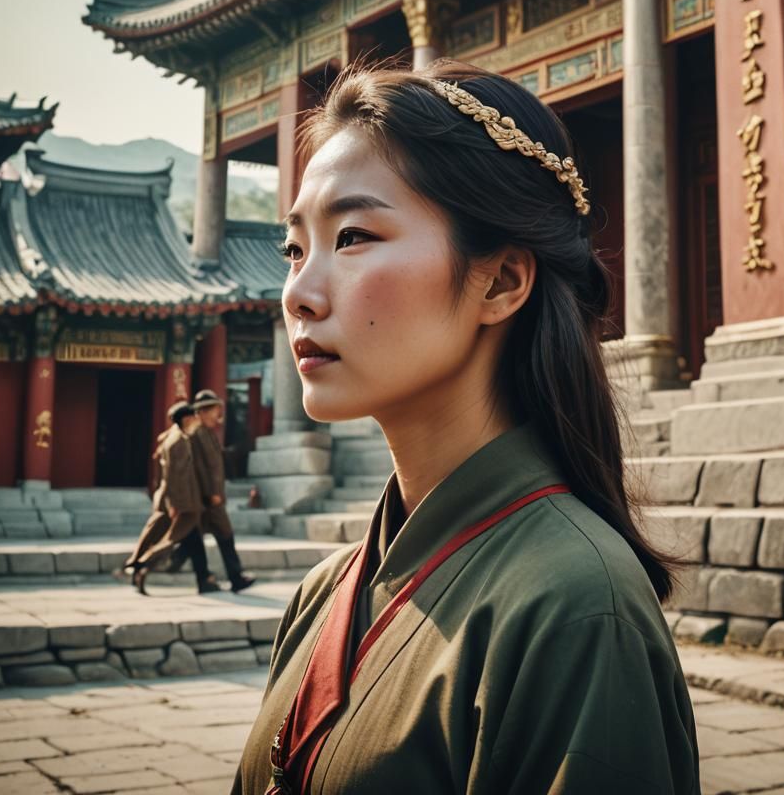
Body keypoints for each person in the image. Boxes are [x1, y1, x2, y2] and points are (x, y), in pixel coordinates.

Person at [232, 64, 699, 794]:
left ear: (503, 281)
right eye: (294, 249)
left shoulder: (575, 608)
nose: (298, 292)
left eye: (352, 236)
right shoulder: (322, 595)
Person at [126, 401, 219, 596]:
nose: (197, 420)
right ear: (186, 419)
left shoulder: (178, 438)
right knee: (171, 539)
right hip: (185, 505)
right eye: (194, 416)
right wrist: (176, 504)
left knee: (194, 542)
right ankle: (144, 566)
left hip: (186, 502)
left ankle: (205, 579)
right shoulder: (178, 442)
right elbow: (175, 476)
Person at [188, 388, 256, 593]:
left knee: (208, 538)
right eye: (214, 411)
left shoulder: (208, 433)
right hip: (208, 499)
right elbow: (200, 467)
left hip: (212, 498)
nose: (218, 415)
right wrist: (211, 493)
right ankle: (223, 578)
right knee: (203, 539)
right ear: (202, 412)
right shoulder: (196, 434)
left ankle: (224, 578)